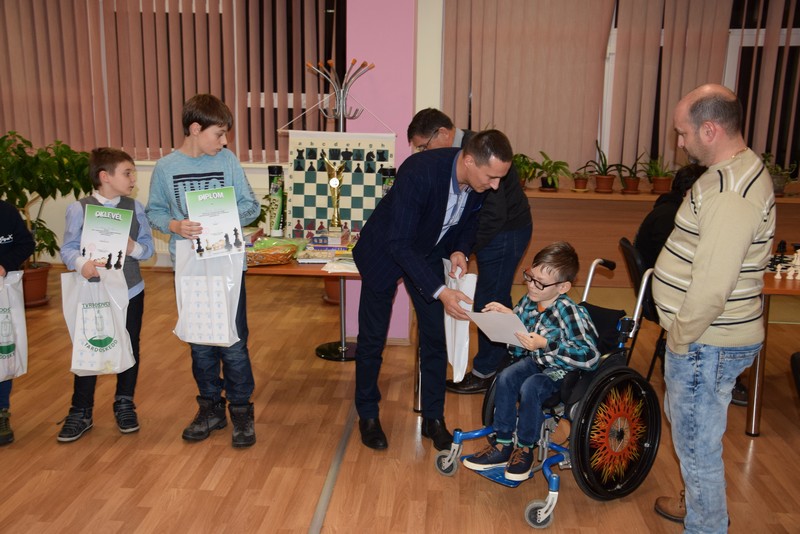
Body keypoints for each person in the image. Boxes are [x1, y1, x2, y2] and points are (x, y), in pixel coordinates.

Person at [652, 84, 775, 532]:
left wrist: (680, 337)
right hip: (708, 339)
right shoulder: (735, 170)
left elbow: (712, 287)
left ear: (710, 129)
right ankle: (698, 505)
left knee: (697, 447)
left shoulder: (731, 191)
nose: (680, 142)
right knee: (691, 431)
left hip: (706, 340)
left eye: (683, 133)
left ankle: (706, 523)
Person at [353, 129, 514, 451]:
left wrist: (459, 250)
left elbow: (470, 221)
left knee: (435, 337)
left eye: (500, 178)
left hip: (425, 251)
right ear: (469, 161)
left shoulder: (479, 182)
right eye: (492, 177)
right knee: (372, 338)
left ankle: (433, 418)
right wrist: (440, 291)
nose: (496, 185)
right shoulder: (419, 172)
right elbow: (399, 243)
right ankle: (368, 414)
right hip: (385, 251)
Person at [146, 94, 261, 448]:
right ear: (195, 129)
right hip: (190, 269)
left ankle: (241, 410)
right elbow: (154, 212)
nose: (224, 142)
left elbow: (251, 206)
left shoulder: (227, 161)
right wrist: (175, 226)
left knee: (233, 342)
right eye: (219, 134)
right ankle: (210, 408)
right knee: (200, 344)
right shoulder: (166, 168)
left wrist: (222, 217)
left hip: (228, 265)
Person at [408, 109, 532, 394]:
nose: (423, 153)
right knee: (493, 296)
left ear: (442, 133)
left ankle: (487, 372)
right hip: (490, 230)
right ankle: (504, 362)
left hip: (505, 232)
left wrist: (463, 249)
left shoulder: (483, 154)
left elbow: (491, 216)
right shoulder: (456, 157)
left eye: (424, 146)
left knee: (490, 300)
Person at [462, 241, 600, 480]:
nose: (532, 286)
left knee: (531, 386)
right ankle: (503, 443)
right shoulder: (529, 300)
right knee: (506, 376)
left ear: (563, 287)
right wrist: (509, 318)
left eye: (540, 283)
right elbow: (521, 338)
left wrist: (546, 344)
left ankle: (525, 448)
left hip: (563, 371)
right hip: (536, 361)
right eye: (530, 277)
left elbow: (590, 356)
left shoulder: (569, 312)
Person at [57, 148, 155, 442]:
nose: (133, 179)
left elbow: (148, 249)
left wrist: (132, 247)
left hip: (130, 290)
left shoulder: (135, 208)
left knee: (129, 344)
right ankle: (81, 410)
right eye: (127, 173)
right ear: (105, 177)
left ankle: (124, 402)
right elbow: (68, 248)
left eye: (133, 173)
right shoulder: (79, 209)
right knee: (89, 344)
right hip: (94, 292)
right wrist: (81, 264)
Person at [635, 162, 749, 406]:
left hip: (658, 291)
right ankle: (721, 374)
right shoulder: (672, 218)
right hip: (665, 297)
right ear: (693, 191)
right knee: (725, 303)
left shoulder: (668, 208)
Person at [0, 200, 35, 446]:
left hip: (3, 295)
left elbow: (26, 244)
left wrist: (4, 266)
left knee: (3, 353)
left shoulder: (6, 212)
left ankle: (2, 411)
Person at [634, 163, 706, 270]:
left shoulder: (669, 207)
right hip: (661, 275)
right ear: (691, 190)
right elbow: (670, 258)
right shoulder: (669, 216)